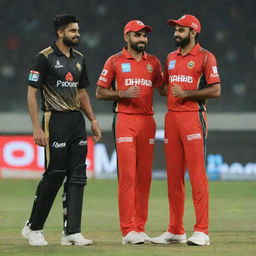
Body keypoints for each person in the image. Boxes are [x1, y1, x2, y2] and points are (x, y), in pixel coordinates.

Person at [21, 14, 101, 246]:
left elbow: (82, 92)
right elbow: (31, 92)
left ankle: (71, 233)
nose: (77, 34)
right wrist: (37, 127)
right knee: (55, 174)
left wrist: (93, 120)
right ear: (60, 33)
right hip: (54, 120)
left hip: (76, 121)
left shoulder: (79, 58)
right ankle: (33, 228)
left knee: (78, 176)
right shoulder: (43, 58)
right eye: (73, 31)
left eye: (77, 31)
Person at [151, 14, 221, 246]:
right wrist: (149, 78)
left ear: (193, 32)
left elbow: (215, 90)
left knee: (198, 176)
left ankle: (202, 231)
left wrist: (188, 94)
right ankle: (175, 230)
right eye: (175, 30)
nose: (176, 33)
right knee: (173, 178)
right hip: (171, 119)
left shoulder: (205, 57)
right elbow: (167, 89)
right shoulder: (170, 57)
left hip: (193, 118)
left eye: (181, 30)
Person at [96, 20, 163, 244]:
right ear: (127, 37)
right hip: (125, 120)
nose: (142, 39)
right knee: (128, 176)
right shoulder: (114, 61)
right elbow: (100, 93)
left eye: (145, 36)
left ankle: (140, 227)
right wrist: (123, 94)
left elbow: (164, 89)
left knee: (144, 178)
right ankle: (127, 230)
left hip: (148, 122)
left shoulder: (153, 62)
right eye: (137, 35)